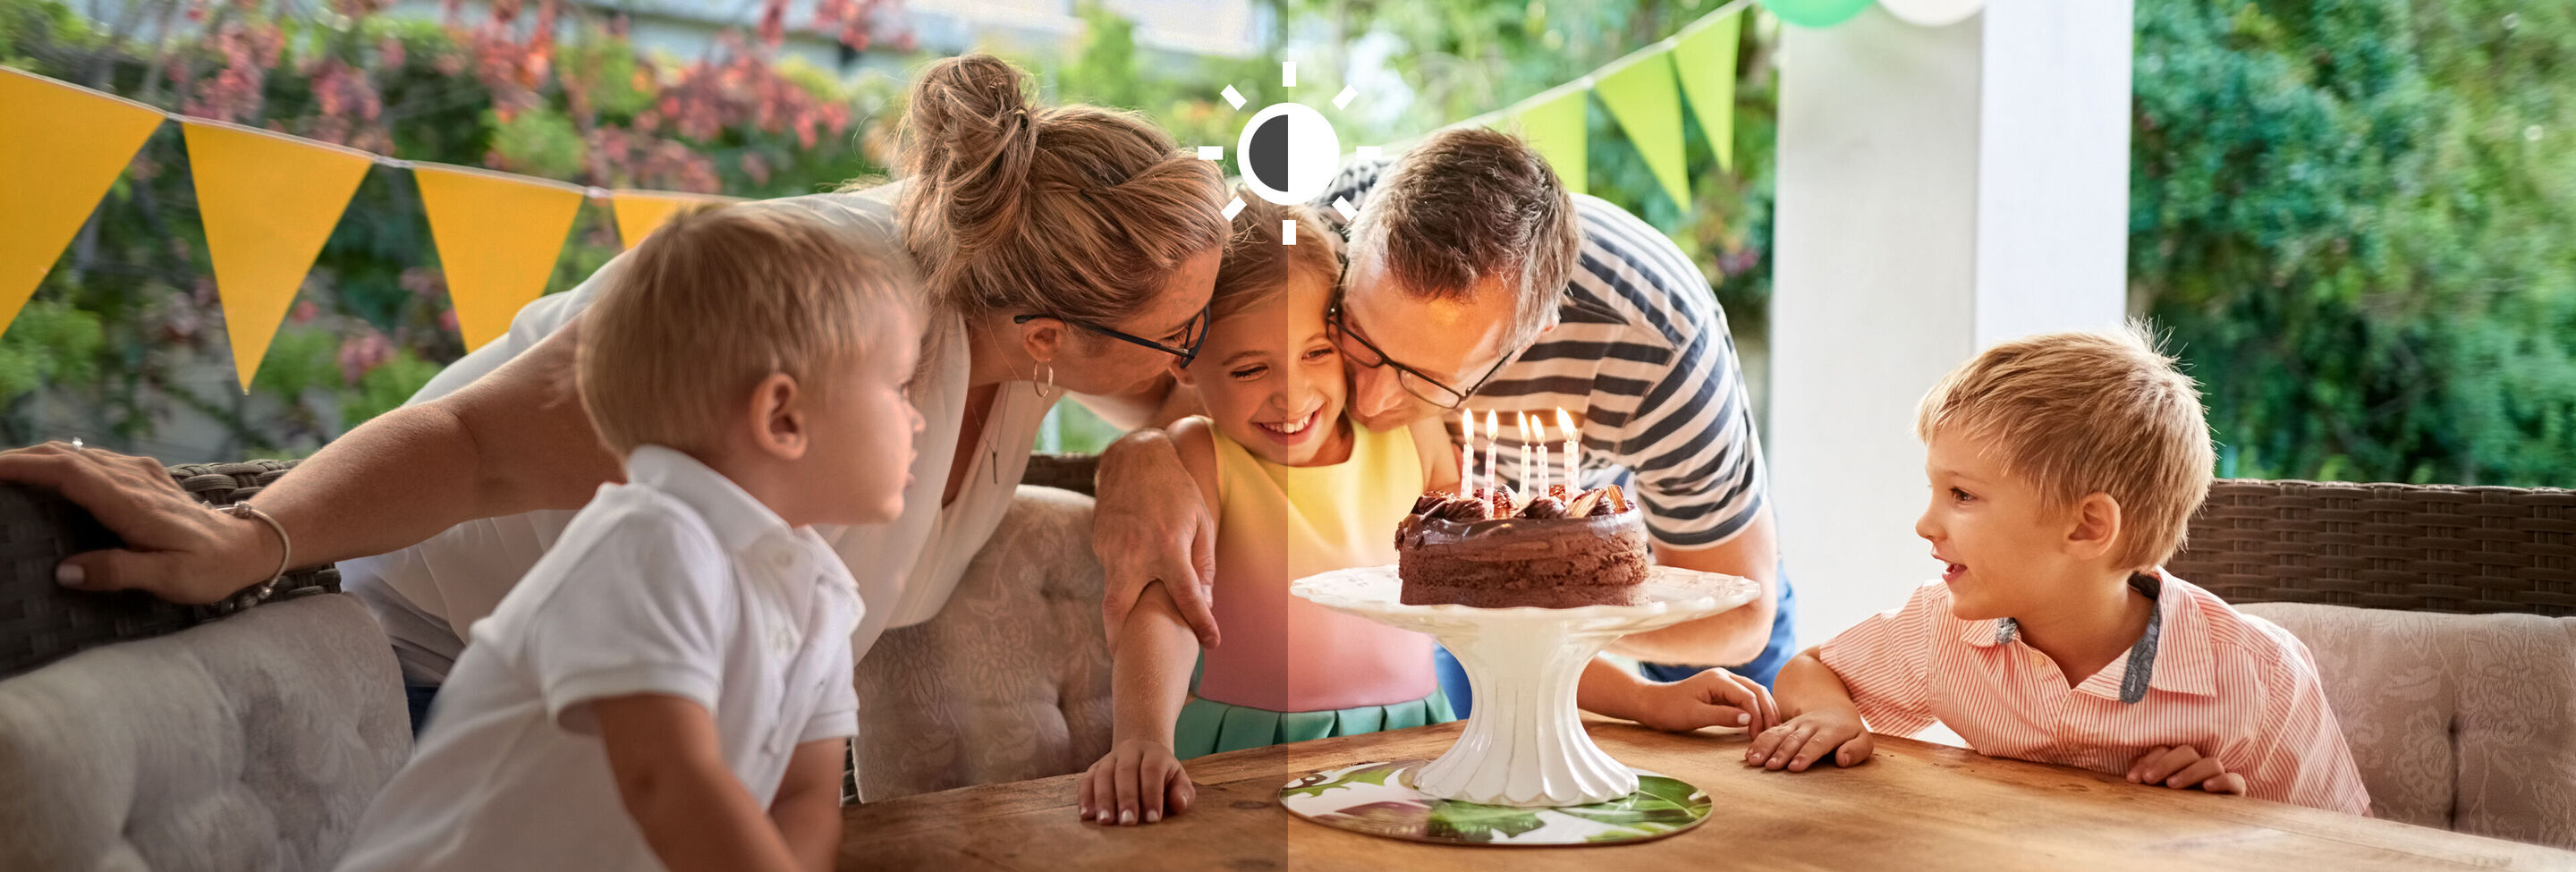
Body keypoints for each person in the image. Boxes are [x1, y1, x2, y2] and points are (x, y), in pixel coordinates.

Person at [1, 54, 1228, 737]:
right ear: (1055, 329)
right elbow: (478, 443)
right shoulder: (818, 297)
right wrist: (252, 537)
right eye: (1180, 338)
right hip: (449, 689)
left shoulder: (1003, 320)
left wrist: (1165, 445)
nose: (1197, 355)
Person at [1071, 193, 1787, 826]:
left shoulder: (1412, 438)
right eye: (1249, 368)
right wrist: (1142, 738)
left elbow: (1492, 622)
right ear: (1185, 366)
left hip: (1418, 743)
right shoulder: (1199, 453)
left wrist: (1647, 702)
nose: (1291, 396)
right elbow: (1164, 606)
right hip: (1252, 752)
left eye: (1318, 352)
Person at [338, 205, 920, 871]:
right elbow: (668, 782)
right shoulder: (651, 541)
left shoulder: (822, 593)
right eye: (900, 386)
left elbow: (805, 799)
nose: (918, 418)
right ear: (781, 415)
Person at [1743, 326, 2371, 817]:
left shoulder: (2259, 679)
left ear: (2087, 526)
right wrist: (1832, 715)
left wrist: (2236, 827)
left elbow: (2349, 850)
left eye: (1962, 494)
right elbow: (1809, 669)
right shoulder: (1940, 630)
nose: (1925, 524)